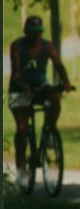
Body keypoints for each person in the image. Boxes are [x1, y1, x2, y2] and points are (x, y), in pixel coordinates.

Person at [7, 16, 73, 187]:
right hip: (20, 89)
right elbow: (15, 71)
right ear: (26, 33)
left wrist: (65, 82)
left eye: (38, 33)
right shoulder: (17, 46)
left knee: (55, 98)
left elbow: (58, 64)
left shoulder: (47, 46)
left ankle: (49, 130)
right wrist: (22, 85)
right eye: (32, 33)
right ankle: (21, 168)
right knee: (22, 128)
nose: (36, 37)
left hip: (40, 85)